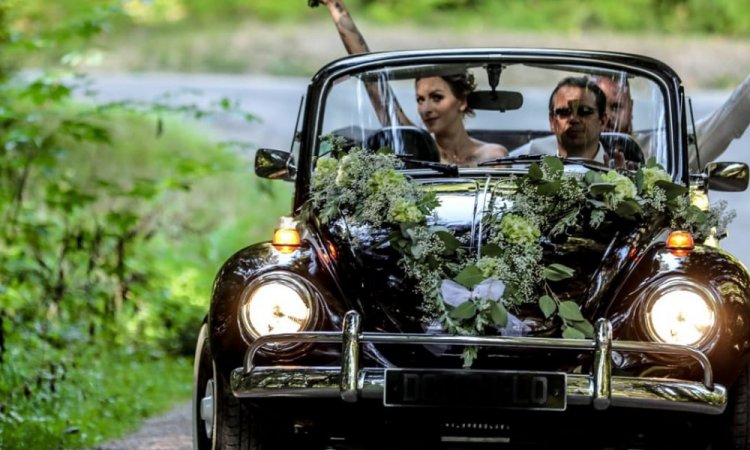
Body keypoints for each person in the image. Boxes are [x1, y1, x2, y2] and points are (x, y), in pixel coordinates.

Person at [311, 0, 508, 167]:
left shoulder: (492, 156)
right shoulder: (414, 150)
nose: (426, 108)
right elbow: (374, 84)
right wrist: (336, 7)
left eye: (436, 98)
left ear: (462, 101)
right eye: (420, 100)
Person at [594, 72, 750, 169]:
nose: (607, 117)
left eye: (616, 106)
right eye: (598, 108)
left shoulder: (664, 150)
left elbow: (725, 122)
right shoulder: (571, 151)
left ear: (631, 109)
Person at [510, 76, 608, 164]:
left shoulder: (618, 167)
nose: (573, 119)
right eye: (564, 112)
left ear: (602, 121)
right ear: (552, 122)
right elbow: (500, 161)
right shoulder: (533, 153)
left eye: (584, 112)